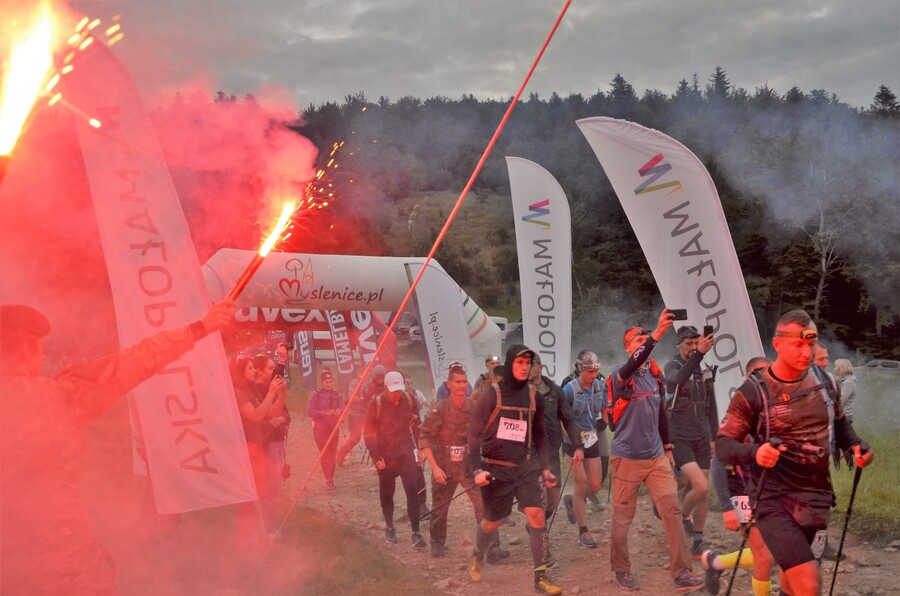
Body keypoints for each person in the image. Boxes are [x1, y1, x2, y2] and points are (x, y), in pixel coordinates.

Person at [0, 300, 235, 594]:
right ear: (26, 350)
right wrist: (200, 327)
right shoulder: (54, 400)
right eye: (40, 350)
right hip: (63, 570)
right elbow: (130, 363)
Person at [716, 310, 876, 596]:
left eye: (811, 344)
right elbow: (724, 445)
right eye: (798, 344)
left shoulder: (826, 382)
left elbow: (840, 425)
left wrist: (856, 445)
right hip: (772, 500)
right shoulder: (754, 391)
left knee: (792, 581)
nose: (807, 352)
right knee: (808, 583)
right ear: (777, 344)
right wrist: (756, 452)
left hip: (816, 498)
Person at [607, 309, 704, 592]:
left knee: (672, 511)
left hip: (655, 457)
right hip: (626, 458)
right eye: (639, 341)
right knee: (623, 518)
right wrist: (658, 334)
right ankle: (621, 569)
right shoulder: (620, 373)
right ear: (629, 348)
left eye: (646, 340)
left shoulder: (655, 374)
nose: (644, 344)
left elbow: (661, 413)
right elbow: (634, 362)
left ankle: (682, 572)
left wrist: (668, 447)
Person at [467, 344, 562, 595]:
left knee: (537, 515)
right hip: (496, 470)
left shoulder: (534, 396)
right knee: (492, 521)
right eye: (519, 363)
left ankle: (540, 577)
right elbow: (473, 434)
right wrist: (477, 470)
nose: (524, 367)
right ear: (510, 364)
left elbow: (539, 435)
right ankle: (478, 554)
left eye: (527, 363)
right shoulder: (492, 394)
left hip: (525, 468)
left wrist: (545, 469)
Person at [419, 364, 508, 562]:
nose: (461, 386)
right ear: (449, 385)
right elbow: (424, 438)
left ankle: (492, 549)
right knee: (440, 509)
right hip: (444, 466)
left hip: (469, 467)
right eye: (457, 382)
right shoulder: (439, 409)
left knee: (483, 506)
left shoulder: (474, 407)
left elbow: (486, 432)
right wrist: (435, 468)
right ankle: (437, 543)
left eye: (464, 382)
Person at [702, 356, 774, 596]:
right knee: (764, 557)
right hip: (741, 492)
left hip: (767, 491)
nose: (764, 376)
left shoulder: (778, 409)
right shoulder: (742, 409)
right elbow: (718, 460)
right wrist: (726, 507)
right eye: (757, 372)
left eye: (768, 371)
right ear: (747, 376)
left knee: (771, 553)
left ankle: (715, 562)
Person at [664, 325, 718, 557]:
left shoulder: (703, 368)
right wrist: (700, 354)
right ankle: (683, 515)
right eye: (689, 344)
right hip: (680, 435)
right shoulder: (672, 366)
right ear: (679, 345)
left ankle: (698, 540)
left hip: (702, 435)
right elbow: (678, 378)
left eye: (696, 343)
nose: (693, 347)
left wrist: (714, 436)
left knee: (702, 492)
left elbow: (711, 405)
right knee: (700, 485)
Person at [528, 353, 582, 565]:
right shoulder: (517, 392)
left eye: (530, 364)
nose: (526, 368)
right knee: (539, 504)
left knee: (552, 501)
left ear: (540, 367)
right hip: (529, 456)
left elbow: (568, 419)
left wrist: (577, 446)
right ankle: (543, 551)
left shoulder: (554, 391)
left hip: (550, 454)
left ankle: (534, 527)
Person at [364, 370, 427, 548]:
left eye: (399, 390)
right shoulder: (376, 403)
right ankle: (389, 527)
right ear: (385, 388)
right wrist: (375, 456)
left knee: (412, 489)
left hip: (405, 452)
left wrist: (420, 449)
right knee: (387, 492)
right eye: (393, 391)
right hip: (385, 454)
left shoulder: (409, 399)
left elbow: (416, 425)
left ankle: (416, 531)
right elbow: (368, 432)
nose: (396, 394)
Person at [232, 354, 286, 543]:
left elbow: (270, 412)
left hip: (257, 446)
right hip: (247, 448)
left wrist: (281, 394)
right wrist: (271, 392)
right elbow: (255, 415)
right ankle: (245, 539)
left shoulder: (250, 390)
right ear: (240, 372)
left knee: (259, 493)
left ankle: (255, 536)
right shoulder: (238, 392)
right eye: (249, 368)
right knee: (249, 496)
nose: (254, 370)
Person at [561, 351, 605, 548]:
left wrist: (612, 422)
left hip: (591, 438)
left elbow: (604, 410)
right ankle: (583, 531)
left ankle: (572, 500)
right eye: (589, 372)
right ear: (581, 370)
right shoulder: (569, 389)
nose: (593, 375)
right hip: (573, 440)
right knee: (581, 484)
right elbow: (561, 418)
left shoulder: (600, 386)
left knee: (594, 485)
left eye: (595, 371)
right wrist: (572, 441)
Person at [251, 350, 290, 532]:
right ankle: (266, 529)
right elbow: (265, 416)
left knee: (275, 488)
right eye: (269, 369)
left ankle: (268, 528)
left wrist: (282, 394)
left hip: (278, 442)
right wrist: (274, 421)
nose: (273, 373)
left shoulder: (269, 387)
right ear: (258, 371)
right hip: (268, 444)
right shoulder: (257, 390)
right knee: (269, 489)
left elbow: (277, 411)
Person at [337, 364, 386, 465]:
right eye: (369, 371)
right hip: (356, 413)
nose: (371, 374)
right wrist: (365, 399)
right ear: (363, 370)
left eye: (372, 372)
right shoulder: (356, 382)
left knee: (373, 436)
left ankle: (376, 459)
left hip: (368, 414)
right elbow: (351, 398)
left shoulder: (373, 383)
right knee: (355, 437)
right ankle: (340, 454)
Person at [307, 370, 345, 491]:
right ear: (322, 382)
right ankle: (327, 479)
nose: (329, 384)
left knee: (332, 454)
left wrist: (340, 411)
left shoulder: (337, 395)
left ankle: (331, 479)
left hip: (334, 429)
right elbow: (310, 411)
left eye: (330, 382)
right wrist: (324, 413)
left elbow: (343, 407)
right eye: (326, 382)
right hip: (320, 430)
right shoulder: (316, 395)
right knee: (325, 453)